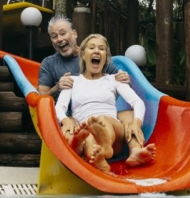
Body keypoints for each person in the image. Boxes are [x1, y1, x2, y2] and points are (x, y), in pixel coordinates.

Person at [55, 34, 156, 174]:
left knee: (102, 120)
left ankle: (109, 146)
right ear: (83, 54)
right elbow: (60, 107)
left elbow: (137, 102)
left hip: (113, 131)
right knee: (89, 137)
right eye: (92, 48)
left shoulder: (114, 79)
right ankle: (100, 161)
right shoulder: (72, 81)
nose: (97, 51)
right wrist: (65, 120)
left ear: (106, 57)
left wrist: (137, 122)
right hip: (87, 129)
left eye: (101, 49)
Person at [37, 15, 138, 140]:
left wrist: (125, 80)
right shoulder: (49, 63)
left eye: (63, 33)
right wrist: (57, 87)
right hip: (70, 117)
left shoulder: (95, 55)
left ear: (74, 34)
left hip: (102, 112)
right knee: (72, 127)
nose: (59, 39)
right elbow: (41, 99)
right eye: (54, 36)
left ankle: (135, 147)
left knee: (128, 116)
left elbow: (121, 84)